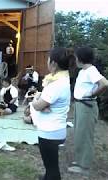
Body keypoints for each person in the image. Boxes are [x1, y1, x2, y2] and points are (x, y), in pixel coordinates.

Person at [30, 47, 73, 180]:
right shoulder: (62, 80)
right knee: (50, 166)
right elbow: (46, 103)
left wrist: (36, 99)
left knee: (52, 168)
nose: (47, 62)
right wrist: (42, 101)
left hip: (50, 131)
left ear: (53, 63)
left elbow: (38, 106)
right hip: (55, 129)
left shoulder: (56, 84)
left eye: (48, 59)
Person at [68, 47, 108, 175]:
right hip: (80, 105)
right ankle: (80, 160)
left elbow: (105, 84)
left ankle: (84, 166)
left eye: (75, 57)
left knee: (85, 135)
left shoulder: (91, 70)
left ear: (81, 58)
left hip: (87, 106)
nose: (75, 60)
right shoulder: (83, 71)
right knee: (79, 133)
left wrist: (92, 94)